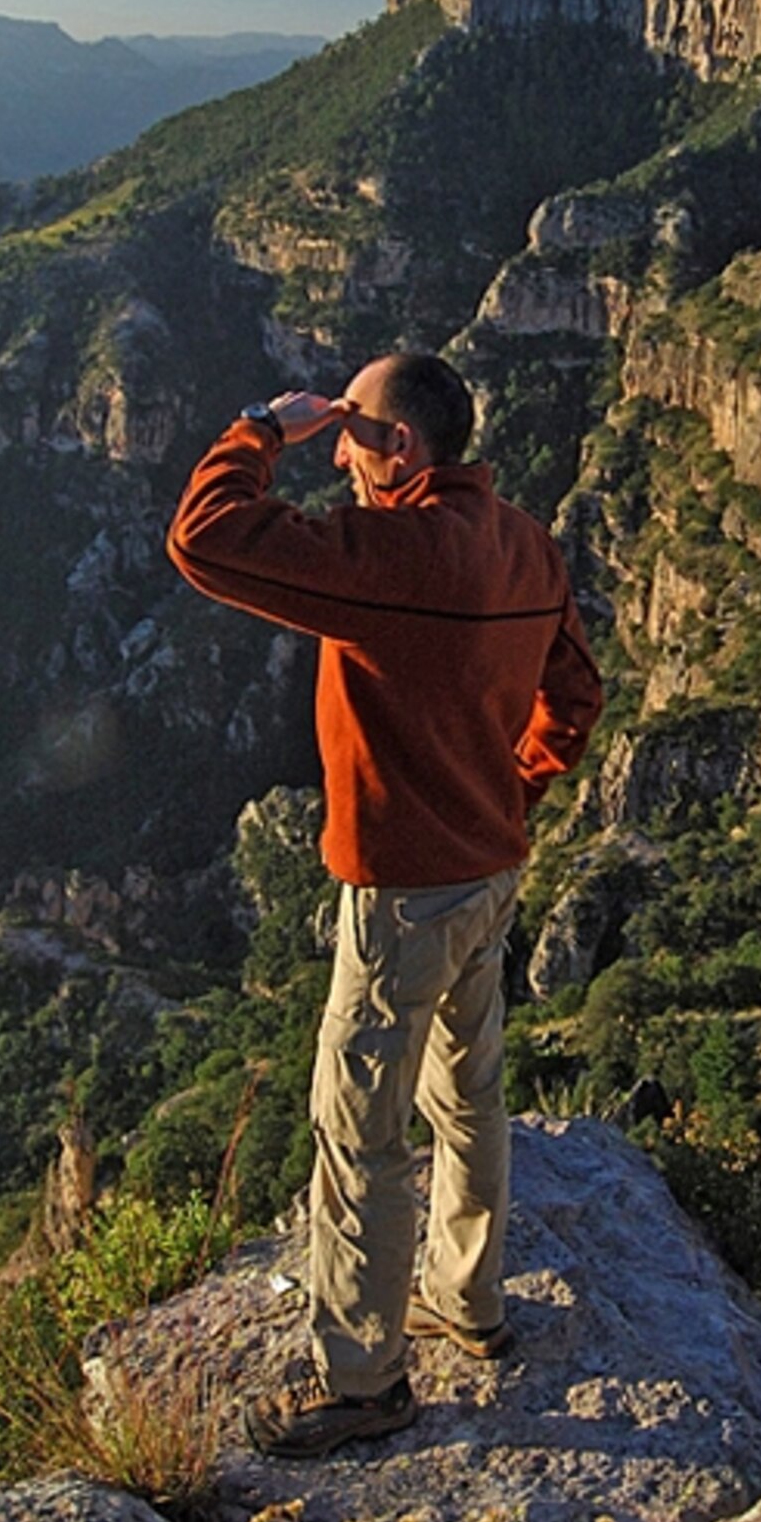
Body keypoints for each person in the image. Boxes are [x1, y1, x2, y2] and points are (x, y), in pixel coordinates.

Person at [166, 351, 603, 1457]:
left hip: (404, 887)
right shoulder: (526, 544)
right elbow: (577, 692)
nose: (340, 447)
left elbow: (205, 536)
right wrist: (518, 784)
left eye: (350, 427)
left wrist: (265, 425)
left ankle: (361, 1380)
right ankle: (471, 1299)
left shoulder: (397, 554)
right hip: (493, 872)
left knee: (359, 1121)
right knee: (470, 1095)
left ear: (401, 446)